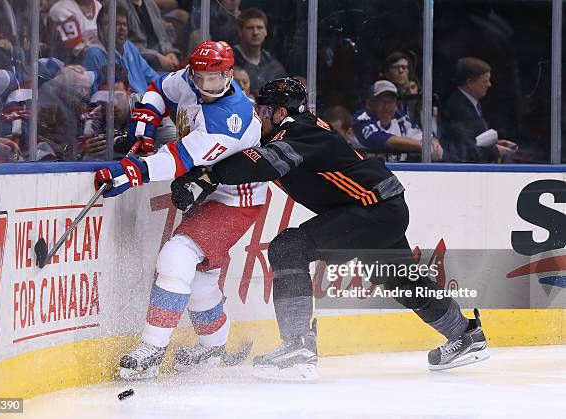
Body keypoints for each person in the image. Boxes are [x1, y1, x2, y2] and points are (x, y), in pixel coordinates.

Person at [170, 78, 489, 381]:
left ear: (281, 112)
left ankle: (298, 347)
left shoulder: (298, 133)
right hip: (379, 205)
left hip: (374, 207)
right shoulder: (294, 131)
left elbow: (263, 162)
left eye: (264, 111)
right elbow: (250, 160)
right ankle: (465, 334)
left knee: (288, 248)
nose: (258, 117)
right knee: (399, 277)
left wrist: (209, 176)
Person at [93, 40, 268, 379]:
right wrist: (143, 126)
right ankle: (214, 347)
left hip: (236, 198)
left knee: (177, 255)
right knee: (201, 279)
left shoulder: (230, 117)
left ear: (229, 75)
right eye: (202, 77)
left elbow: (179, 159)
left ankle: (152, 349)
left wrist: (133, 171)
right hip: (210, 190)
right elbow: (159, 88)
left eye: (217, 79)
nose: (208, 85)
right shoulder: (188, 79)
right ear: (192, 72)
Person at [441, 57, 517, 163]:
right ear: (470, 82)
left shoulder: (472, 103)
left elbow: (476, 141)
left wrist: (495, 145)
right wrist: (495, 151)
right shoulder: (458, 108)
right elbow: (464, 147)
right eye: (485, 81)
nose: (489, 85)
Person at [352, 80, 443, 162]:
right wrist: (423, 146)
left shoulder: (400, 117)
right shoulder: (362, 118)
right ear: (369, 104)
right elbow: (379, 139)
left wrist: (433, 142)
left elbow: (421, 136)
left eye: (391, 101)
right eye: (381, 101)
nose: (386, 107)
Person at [82, 4, 160, 94]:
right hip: (122, 106)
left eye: (125, 24)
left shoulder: (129, 46)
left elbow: (151, 76)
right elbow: (94, 96)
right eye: (116, 24)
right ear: (101, 28)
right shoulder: (93, 55)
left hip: (146, 102)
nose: (122, 28)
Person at [232, 8, 287, 96]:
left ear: (266, 32)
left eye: (260, 27)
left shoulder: (273, 65)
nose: (255, 32)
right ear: (240, 31)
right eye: (250, 28)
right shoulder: (229, 60)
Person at [122, 0, 180, 72]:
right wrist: (155, 56)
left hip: (161, 59)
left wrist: (169, 52)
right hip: (138, 64)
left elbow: (163, 35)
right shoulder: (119, 5)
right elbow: (124, 44)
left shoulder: (150, 4)